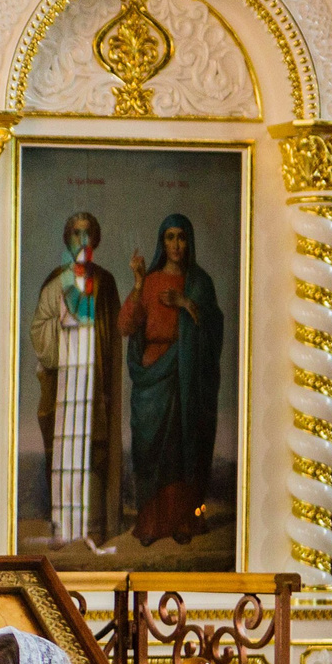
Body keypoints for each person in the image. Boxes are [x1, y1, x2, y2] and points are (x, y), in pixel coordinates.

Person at [117, 212, 224, 546]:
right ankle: (150, 522)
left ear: (189, 241)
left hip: (185, 374)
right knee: (149, 449)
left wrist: (185, 303)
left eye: (182, 237)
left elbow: (214, 328)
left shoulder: (199, 283)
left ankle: (183, 521)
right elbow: (126, 327)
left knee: (180, 448)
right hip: (152, 374)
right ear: (161, 242)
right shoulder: (148, 282)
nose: (176, 244)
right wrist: (136, 283)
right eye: (170, 237)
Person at [29, 212, 120, 550]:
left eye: (87, 234)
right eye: (76, 233)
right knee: (67, 451)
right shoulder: (57, 282)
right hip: (65, 381)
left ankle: (92, 526)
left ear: (95, 240)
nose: (82, 240)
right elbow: (39, 327)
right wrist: (61, 329)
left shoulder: (105, 282)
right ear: (67, 239)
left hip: (93, 381)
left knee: (91, 449)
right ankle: (63, 528)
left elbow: (112, 332)